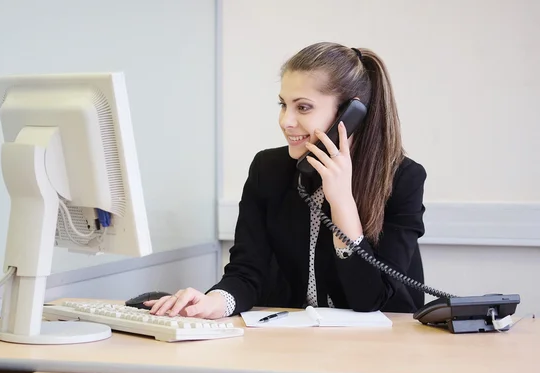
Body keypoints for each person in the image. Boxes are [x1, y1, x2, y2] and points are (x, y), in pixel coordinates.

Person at [145, 42, 427, 319]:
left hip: (385, 348)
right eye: (283, 105)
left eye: (303, 107)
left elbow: (371, 300)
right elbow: (246, 272)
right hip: (291, 342)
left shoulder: (402, 179)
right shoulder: (268, 169)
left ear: (350, 115)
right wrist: (214, 302)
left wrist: (342, 202)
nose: (285, 121)